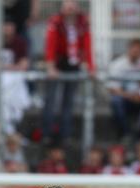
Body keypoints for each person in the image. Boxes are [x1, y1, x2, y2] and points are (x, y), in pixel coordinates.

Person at [42, 0, 94, 142]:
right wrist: (51, 66)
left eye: (73, 6)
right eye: (67, 7)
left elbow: (87, 45)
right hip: (59, 62)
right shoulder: (56, 22)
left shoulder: (83, 23)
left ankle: (65, 134)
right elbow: (50, 45)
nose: (70, 10)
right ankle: (47, 133)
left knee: (69, 101)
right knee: (50, 100)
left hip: (74, 64)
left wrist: (90, 67)